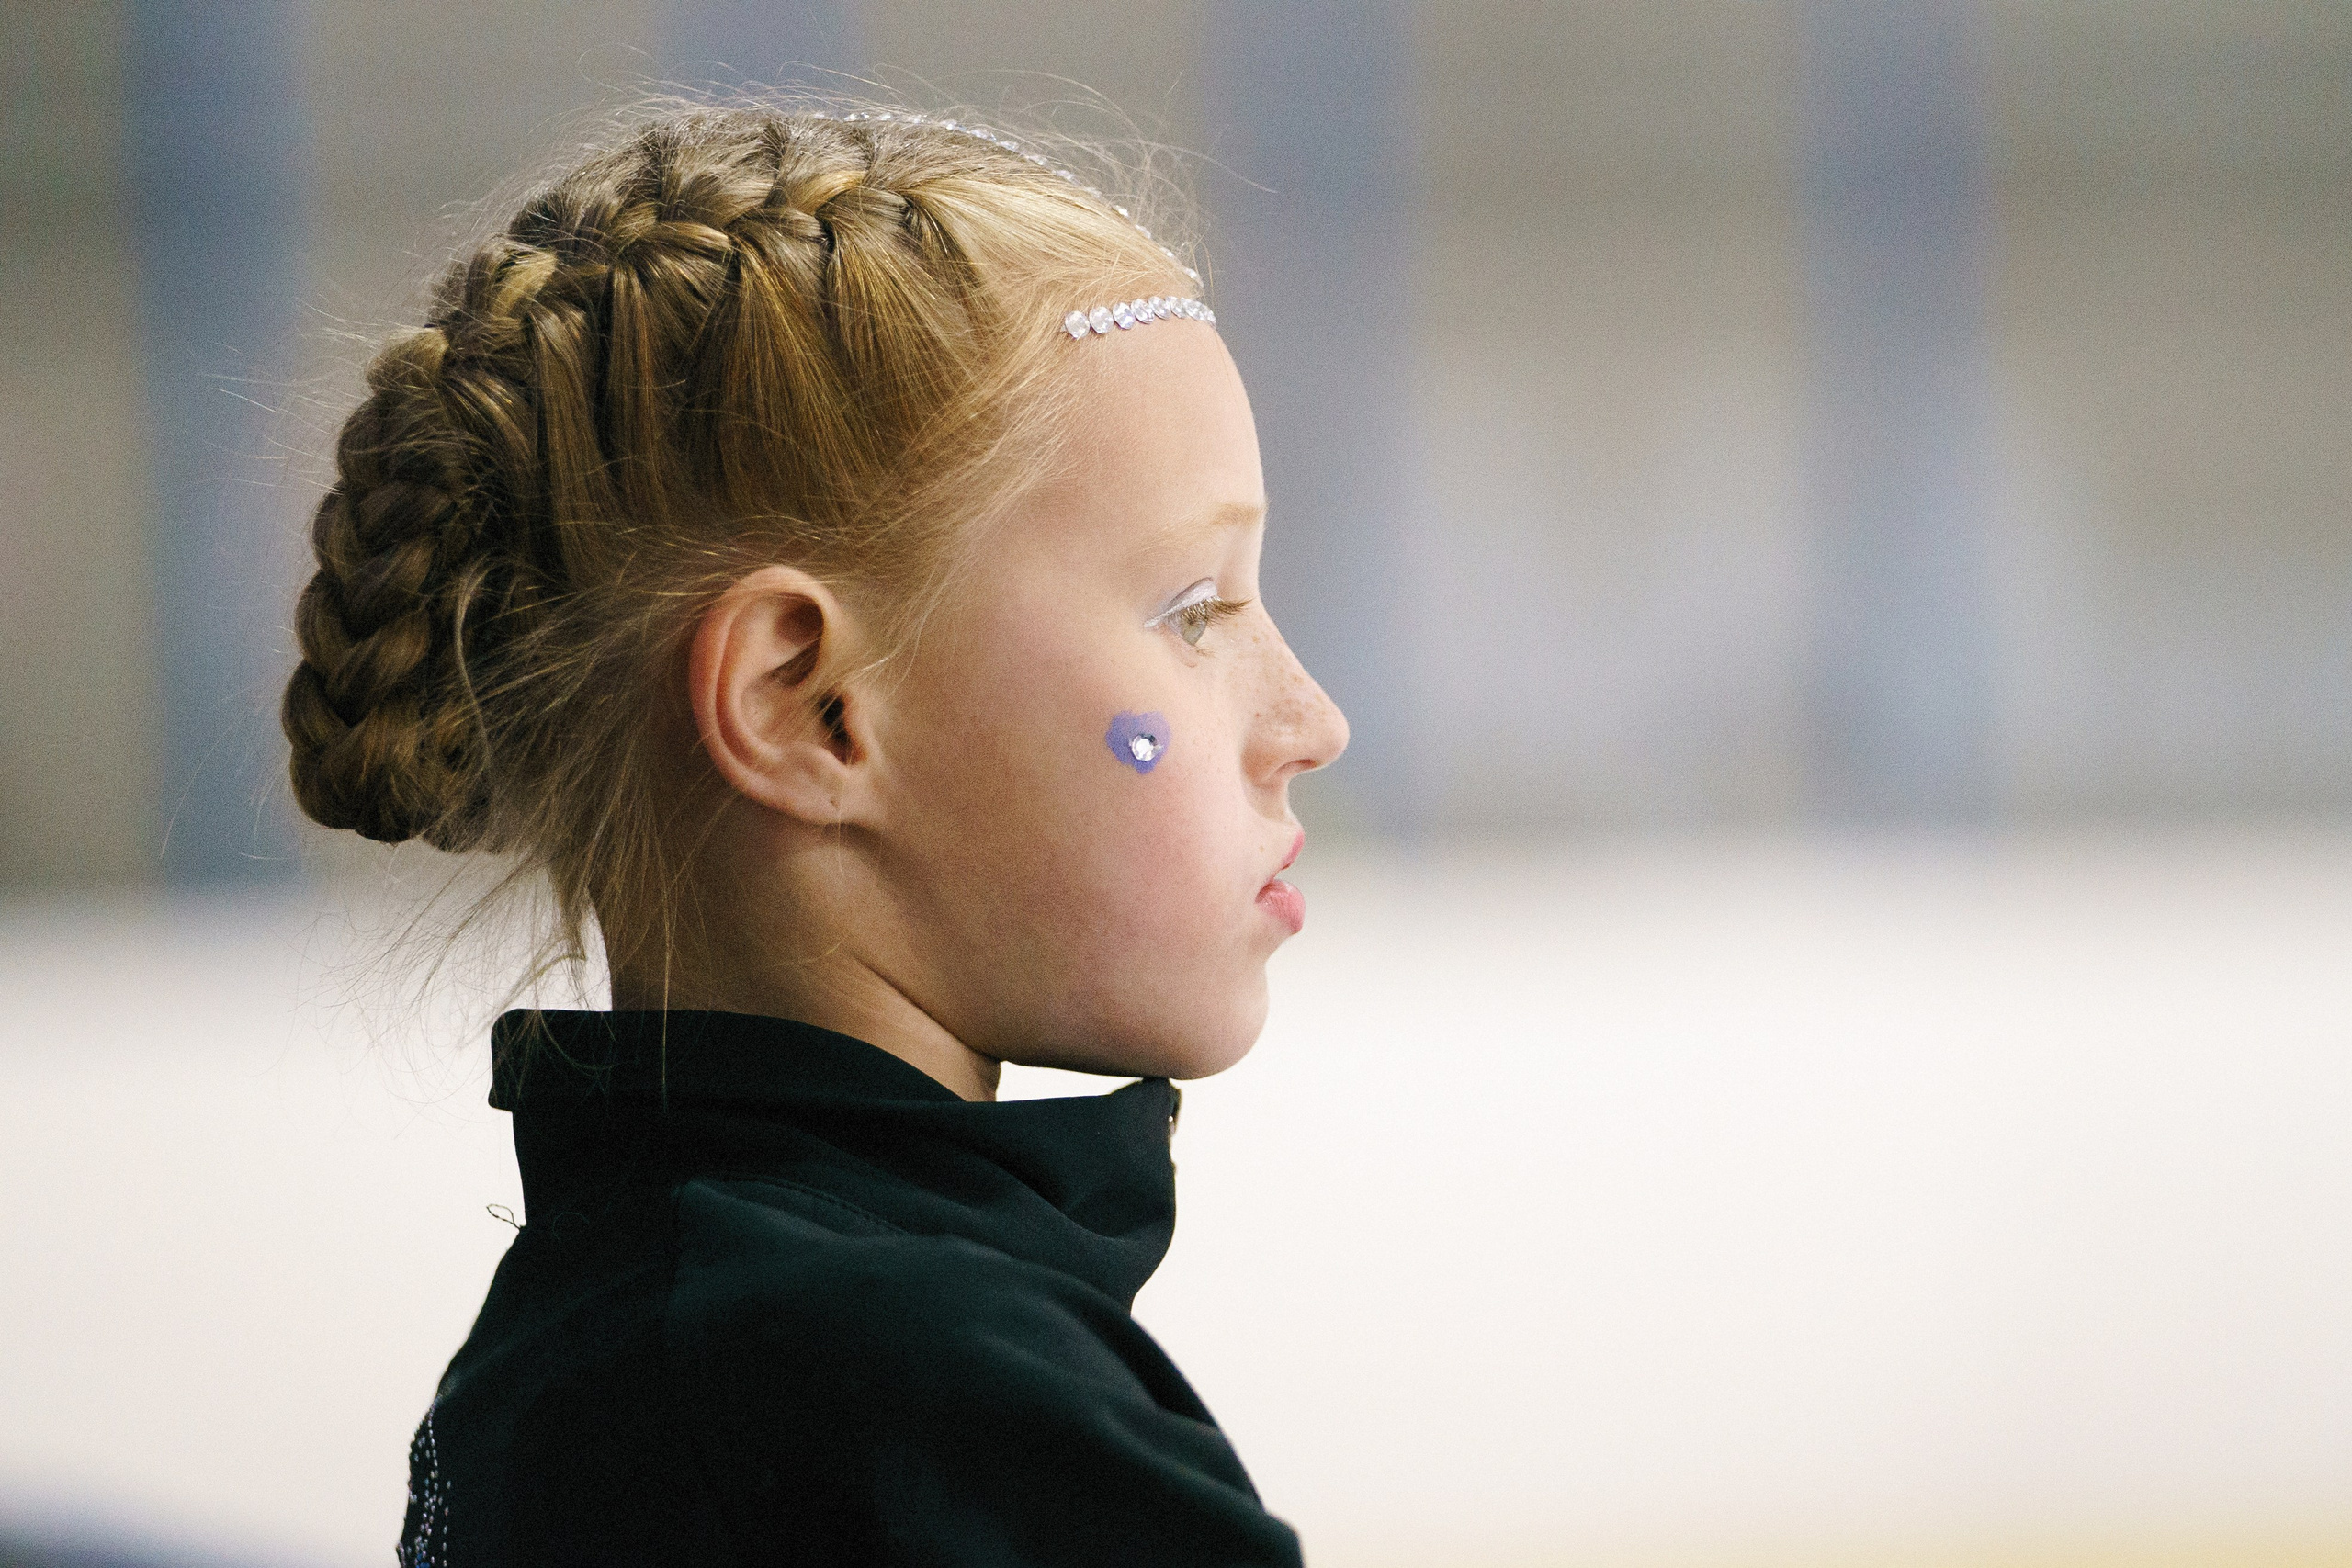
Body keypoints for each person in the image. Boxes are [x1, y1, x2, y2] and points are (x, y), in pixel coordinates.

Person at [280, 101, 1348, 1566]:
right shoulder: (908, 1388)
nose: (1309, 720)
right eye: (1195, 613)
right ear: (810, 707)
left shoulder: (612, 1337)